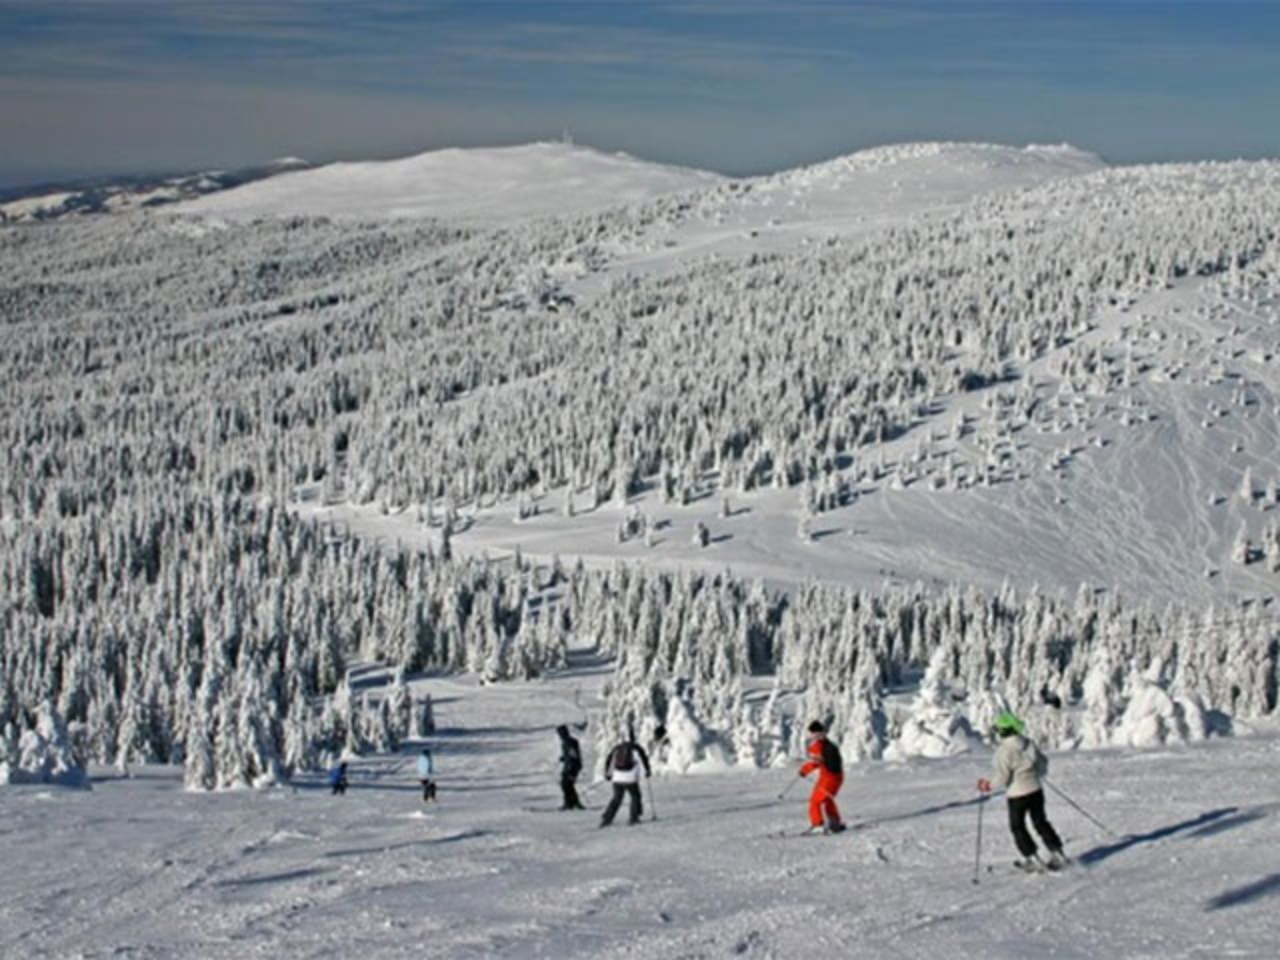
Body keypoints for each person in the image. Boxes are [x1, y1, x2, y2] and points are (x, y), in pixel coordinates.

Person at [978, 711, 1068, 872]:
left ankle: (1032, 857)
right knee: (1041, 822)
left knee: (1018, 827)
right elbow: (1042, 762)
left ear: (1002, 731)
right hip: (1036, 790)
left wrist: (988, 785)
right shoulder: (1028, 743)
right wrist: (1037, 774)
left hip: (1017, 794)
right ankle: (1058, 852)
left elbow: (1003, 777)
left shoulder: (1003, 751)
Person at [798, 720, 845, 834]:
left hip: (831, 778)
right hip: (833, 777)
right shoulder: (822, 746)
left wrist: (823, 762)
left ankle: (818, 825)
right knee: (827, 799)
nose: (815, 736)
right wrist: (805, 770)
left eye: (817, 733)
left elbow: (831, 764)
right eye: (814, 734)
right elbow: (817, 762)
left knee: (815, 801)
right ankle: (835, 823)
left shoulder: (826, 747)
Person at [599, 734, 651, 827]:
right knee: (635, 796)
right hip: (630, 778)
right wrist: (647, 772)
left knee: (616, 798)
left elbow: (610, 761)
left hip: (617, 778)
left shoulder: (617, 748)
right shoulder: (636, 748)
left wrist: (608, 774)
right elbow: (642, 761)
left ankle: (607, 817)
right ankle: (634, 817)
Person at [557, 725, 585, 810]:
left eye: (560, 733)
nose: (559, 736)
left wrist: (570, 766)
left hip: (571, 767)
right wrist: (564, 758)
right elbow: (572, 754)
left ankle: (570, 803)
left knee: (566, 784)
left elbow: (573, 755)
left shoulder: (568, 742)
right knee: (568, 785)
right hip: (572, 766)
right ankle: (573, 802)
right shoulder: (570, 741)